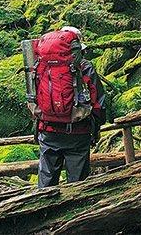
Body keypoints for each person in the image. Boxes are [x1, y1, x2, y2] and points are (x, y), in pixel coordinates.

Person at [33, 26, 106, 188]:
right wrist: (97, 126)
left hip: (48, 130)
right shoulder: (85, 67)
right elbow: (98, 102)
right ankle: (75, 212)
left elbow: (34, 95)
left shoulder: (41, 65)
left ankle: (42, 210)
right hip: (78, 132)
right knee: (77, 186)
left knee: (46, 183)